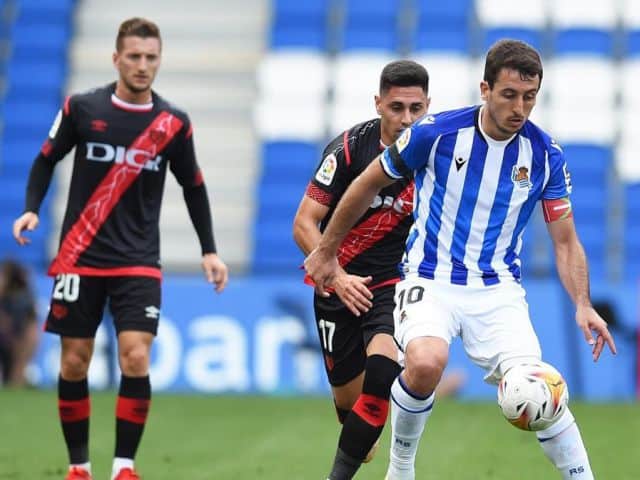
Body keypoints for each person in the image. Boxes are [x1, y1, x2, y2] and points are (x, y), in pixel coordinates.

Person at [304, 39, 617, 480]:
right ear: (485, 89)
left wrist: (582, 303)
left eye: (529, 97)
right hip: (429, 279)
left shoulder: (545, 155)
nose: (519, 108)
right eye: (509, 94)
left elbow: (565, 241)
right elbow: (366, 184)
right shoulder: (435, 133)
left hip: (498, 290)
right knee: (426, 362)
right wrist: (327, 249)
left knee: (538, 392)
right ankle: (401, 469)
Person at [12, 17, 228, 480]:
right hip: (81, 256)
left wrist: (209, 249)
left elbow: (193, 186)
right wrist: (32, 208)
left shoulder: (172, 123)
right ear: (116, 59)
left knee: (135, 355)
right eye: (134, 56)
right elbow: (45, 159)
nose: (143, 65)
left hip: (138, 260)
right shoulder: (82, 108)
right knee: (75, 361)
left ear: (159, 61)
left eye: (151, 57)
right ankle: (79, 466)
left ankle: (124, 467)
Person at [293, 60, 430, 480]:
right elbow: (303, 223)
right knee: (354, 417)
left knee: (384, 371)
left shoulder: (434, 152)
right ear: (378, 104)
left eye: (416, 108)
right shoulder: (349, 150)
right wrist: (335, 275)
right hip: (336, 284)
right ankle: (358, 436)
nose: (407, 119)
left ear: (427, 106)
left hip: (391, 282)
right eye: (396, 107)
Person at [0, 259, 39, 387]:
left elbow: (31, 329)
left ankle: (18, 379)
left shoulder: (23, 300)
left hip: (17, 342)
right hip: (5, 339)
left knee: (27, 340)